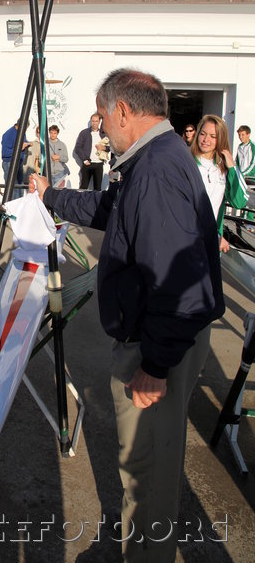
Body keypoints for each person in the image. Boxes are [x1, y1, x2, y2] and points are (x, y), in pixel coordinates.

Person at [30, 68, 224, 563]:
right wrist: (51, 197)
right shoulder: (151, 160)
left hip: (157, 347)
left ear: (123, 111)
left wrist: (154, 366)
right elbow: (109, 209)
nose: (99, 128)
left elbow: (181, 286)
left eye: (101, 116)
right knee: (151, 467)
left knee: (148, 472)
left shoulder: (156, 169)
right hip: (159, 339)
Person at [191, 115, 248, 252]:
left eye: (212, 136)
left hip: (211, 240)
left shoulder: (224, 168)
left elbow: (239, 202)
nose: (206, 140)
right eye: (203, 134)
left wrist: (232, 168)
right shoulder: (187, 162)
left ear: (220, 139)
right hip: (187, 239)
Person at [73, 113, 107, 191]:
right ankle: (80, 203)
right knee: (83, 187)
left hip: (99, 164)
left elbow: (109, 148)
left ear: (99, 122)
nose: (94, 123)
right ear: (91, 121)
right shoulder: (84, 133)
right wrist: (84, 159)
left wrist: (103, 147)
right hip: (88, 163)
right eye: (93, 121)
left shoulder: (103, 134)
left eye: (96, 121)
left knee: (98, 188)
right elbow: (78, 148)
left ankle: (96, 203)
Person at [1, 120, 30, 198]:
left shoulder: (21, 132)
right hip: (9, 163)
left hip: (19, 162)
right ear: (19, 125)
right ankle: (13, 208)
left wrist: (28, 144)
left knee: (19, 186)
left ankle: (19, 206)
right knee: (12, 188)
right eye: (24, 128)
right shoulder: (8, 135)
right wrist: (19, 148)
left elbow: (21, 143)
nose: (25, 131)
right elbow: (5, 153)